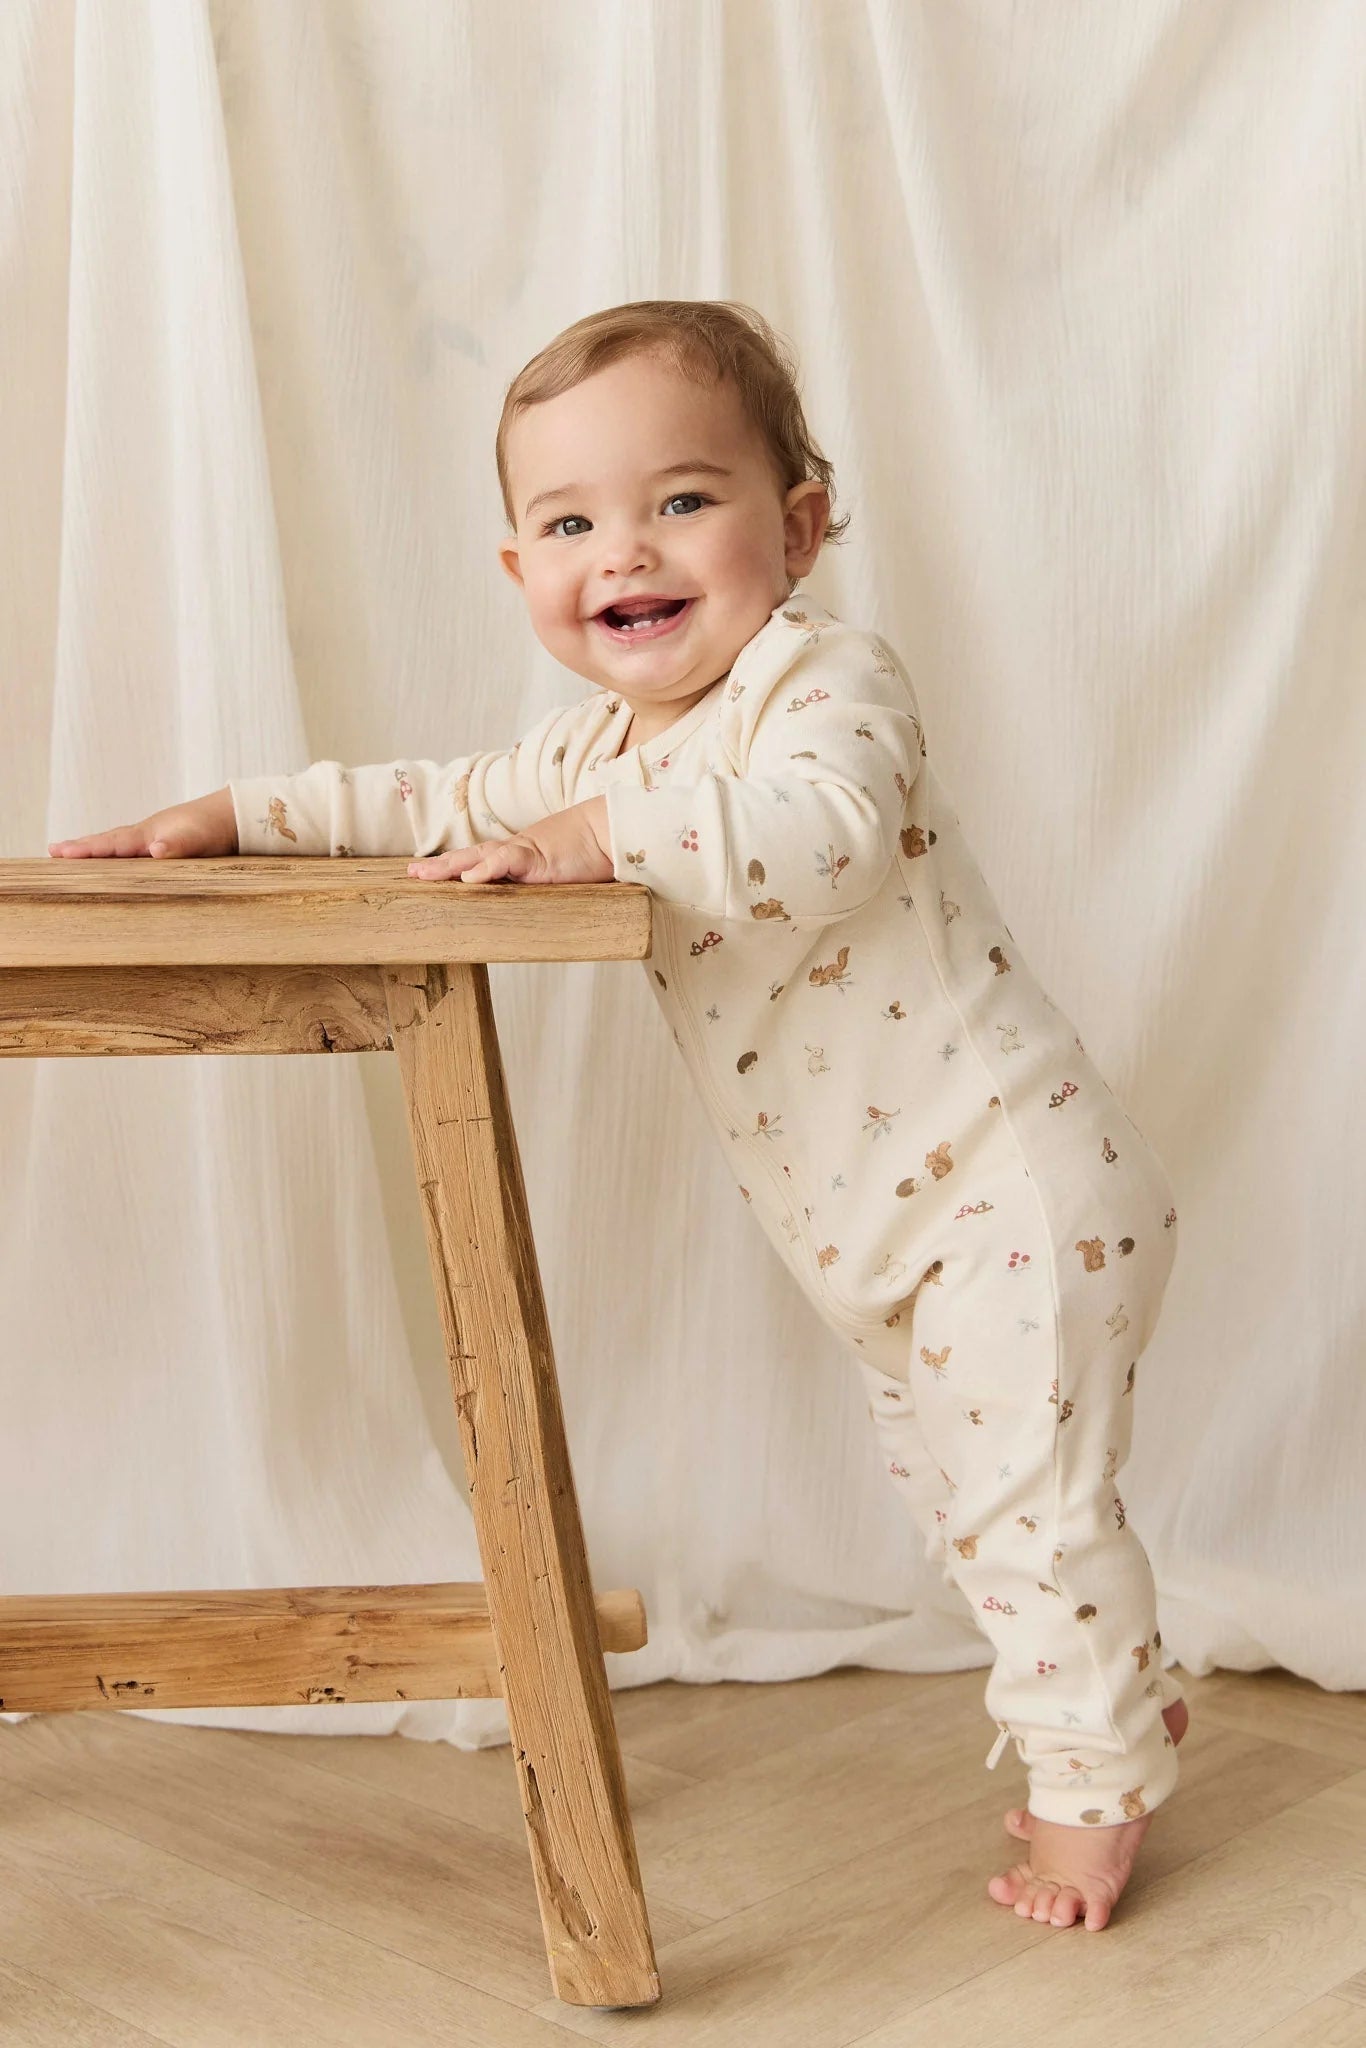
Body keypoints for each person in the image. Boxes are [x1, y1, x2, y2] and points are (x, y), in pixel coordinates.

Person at [49, 297, 1189, 1933]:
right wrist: (240, 813)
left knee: (1026, 1511)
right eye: (571, 524)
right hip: (870, 1229)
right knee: (972, 1507)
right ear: (519, 571)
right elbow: (433, 798)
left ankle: (1092, 1798)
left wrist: (597, 838)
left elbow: (823, 833)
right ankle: (1117, 1696)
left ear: (795, 528)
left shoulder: (822, 682)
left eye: (682, 499)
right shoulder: (596, 740)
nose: (625, 551)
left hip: (1007, 1192)